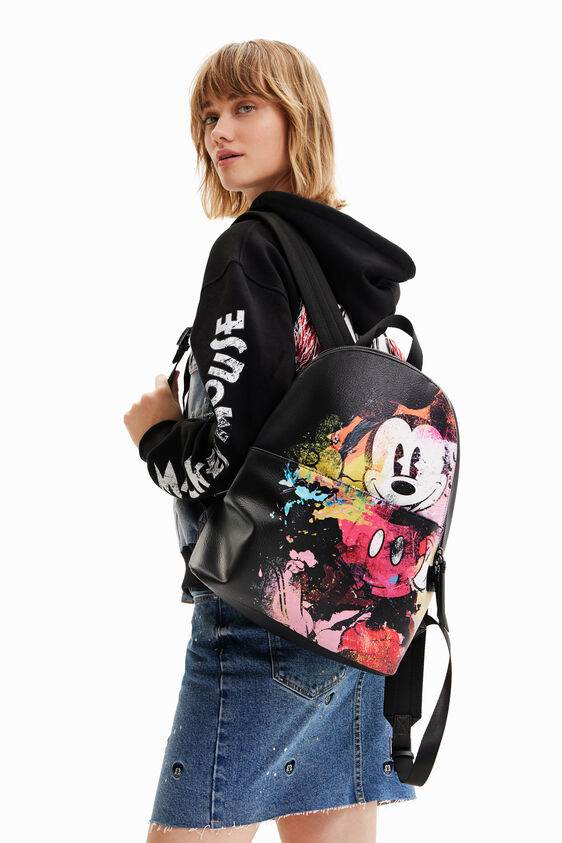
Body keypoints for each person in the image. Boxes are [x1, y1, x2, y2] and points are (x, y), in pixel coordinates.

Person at [124, 39, 417, 843]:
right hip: (359, 614)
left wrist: (155, 434)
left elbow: (227, 458)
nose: (219, 131)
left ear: (298, 117)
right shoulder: (345, 267)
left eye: (244, 107)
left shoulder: (249, 250)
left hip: (265, 606)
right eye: (208, 116)